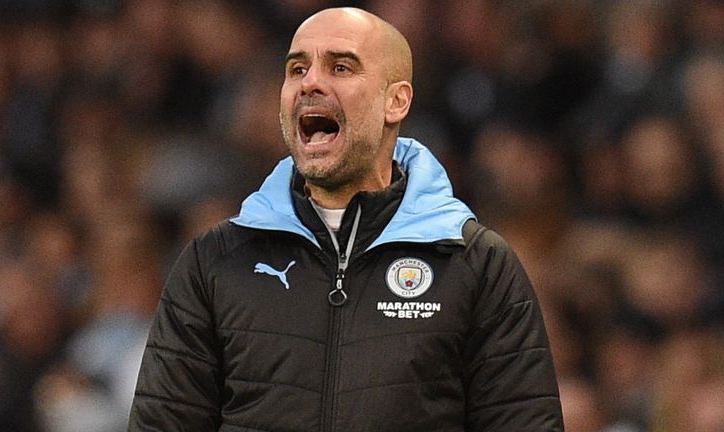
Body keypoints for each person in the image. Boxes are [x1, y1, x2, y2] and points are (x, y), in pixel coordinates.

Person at [128, 7, 563, 431]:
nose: (310, 82)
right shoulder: (214, 263)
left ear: (396, 101)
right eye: (297, 70)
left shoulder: (477, 265)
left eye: (340, 67)